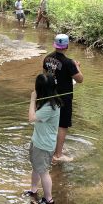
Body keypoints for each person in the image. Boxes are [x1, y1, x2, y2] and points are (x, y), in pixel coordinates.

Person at [43, 34, 83, 163]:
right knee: (62, 125)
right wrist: (77, 66)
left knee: (52, 123)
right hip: (64, 98)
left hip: (50, 95)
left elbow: (45, 76)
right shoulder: (69, 62)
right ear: (66, 46)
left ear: (55, 45)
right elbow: (80, 79)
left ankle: (52, 148)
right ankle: (58, 155)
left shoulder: (47, 58)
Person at [25, 73, 61, 204]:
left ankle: (48, 199)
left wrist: (32, 99)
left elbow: (31, 118)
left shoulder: (50, 107)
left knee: (44, 172)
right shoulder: (48, 101)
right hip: (37, 141)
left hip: (44, 145)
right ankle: (33, 190)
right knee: (35, 167)